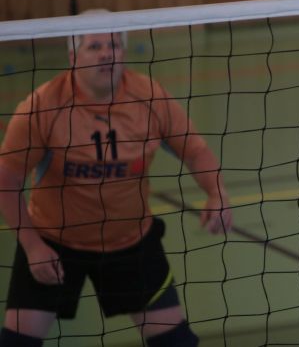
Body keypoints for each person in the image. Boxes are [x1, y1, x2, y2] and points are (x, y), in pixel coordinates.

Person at [0, 18, 233, 347]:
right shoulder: (42, 107)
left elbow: (195, 151)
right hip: (54, 243)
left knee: (177, 343)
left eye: (113, 45)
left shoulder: (149, 97)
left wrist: (217, 193)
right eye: (94, 46)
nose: (106, 53)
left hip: (131, 243)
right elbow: (6, 180)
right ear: (73, 57)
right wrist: (32, 246)